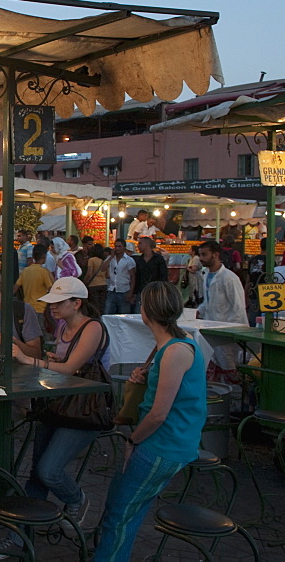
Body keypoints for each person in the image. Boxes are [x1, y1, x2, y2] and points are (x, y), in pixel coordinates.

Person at [92, 281, 207, 562]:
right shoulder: (169, 347)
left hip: (163, 445)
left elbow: (158, 414)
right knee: (124, 511)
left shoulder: (175, 351)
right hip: (165, 442)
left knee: (119, 516)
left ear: (147, 311)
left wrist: (133, 439)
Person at [9, 277, 108, 548]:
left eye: (58, 303)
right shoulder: (64, 326)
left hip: (83, 408)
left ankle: (76, 498)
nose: (52, 307)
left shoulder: (92, 328)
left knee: (49, 470)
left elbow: (71, 369)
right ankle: (19, 533)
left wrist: (28, 358)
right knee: (36, 473)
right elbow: (64, 363)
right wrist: (53, 359)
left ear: (77, 303)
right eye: (51, 302)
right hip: (59, 403)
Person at [197, 239, 247, 377]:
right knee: (213, 367)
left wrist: (232, 332)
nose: (201, 258)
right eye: (200, 255)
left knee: (230, 369)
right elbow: (208, 301)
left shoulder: (229, 278)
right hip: (210, 329)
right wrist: (197, 311)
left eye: (204, 254)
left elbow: (238, 307)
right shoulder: (206, 275)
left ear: (216, 255)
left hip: (227, 332)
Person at [14, 244, 54, 335]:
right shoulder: (44, 272)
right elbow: (51, 289)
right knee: (41, 332)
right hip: (40, 308)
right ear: (44, 257)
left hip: (27, 308)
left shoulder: (26, 271)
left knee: (29, 333)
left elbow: (15, 288)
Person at [133, 237, 168, 312]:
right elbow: (137, 277)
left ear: (147, 244)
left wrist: (163, 290)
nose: (138, 246)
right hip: (142, 290)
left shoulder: (158, 259)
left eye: (140, 243)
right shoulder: (139, 260)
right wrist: (135, 293)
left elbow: (163, 275)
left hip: (155, 291)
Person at [103, 239, 137, 315]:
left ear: (124, 248)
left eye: (119, 246)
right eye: (116, 246)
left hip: (124, 291)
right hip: (112, 290)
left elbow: (133, 277)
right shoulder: (111, 259)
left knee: (124, 314)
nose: (117, 248)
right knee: (107, 314)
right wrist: (111, 256)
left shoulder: (129, 260)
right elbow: (103, 268)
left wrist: (131, 292)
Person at [82, 243, 107, 314]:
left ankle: (96, 318)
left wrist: (84, 282)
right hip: (103, 284)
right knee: (102, 304)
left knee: (94, 305)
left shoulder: (91, 260)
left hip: (93, 285)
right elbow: (107, 275)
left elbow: (89, 274)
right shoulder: (103, 261)